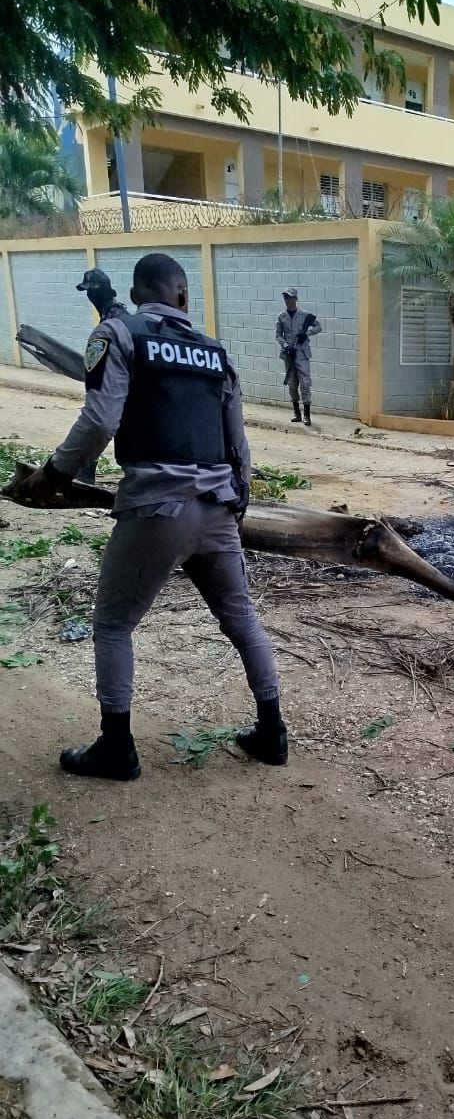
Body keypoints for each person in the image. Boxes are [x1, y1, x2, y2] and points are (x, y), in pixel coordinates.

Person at [10, 253, 287, 781]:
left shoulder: (119, 334)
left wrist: (53, 475)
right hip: (218, 509)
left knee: (113, 624)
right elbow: (238, 445)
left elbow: (99, 420)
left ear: (138, 295)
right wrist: (237, 501)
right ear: (183, 296)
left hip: (158, 507)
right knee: (242, 619)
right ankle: (272, 732)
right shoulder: (216, 352)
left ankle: (117, 748)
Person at [74, 270, 130, 485]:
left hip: (122, 384)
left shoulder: (114, 319)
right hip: (122, 383)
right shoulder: (114, 314)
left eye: (91, 291)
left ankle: (84, 472)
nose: (89, 296)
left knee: (101, 420)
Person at [275, 288, 321, 426]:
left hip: (302, 353)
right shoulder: (282, 316)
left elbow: (318, 327)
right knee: (292, 384)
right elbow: (278, 335)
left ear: (296, 299)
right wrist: (285, 345)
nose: (288, 301)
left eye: (290, 298)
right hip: (289, 354)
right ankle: (297, 413)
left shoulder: (305, 315)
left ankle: (307, 415)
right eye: (286, 298)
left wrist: (307, 334)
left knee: (305, 383)